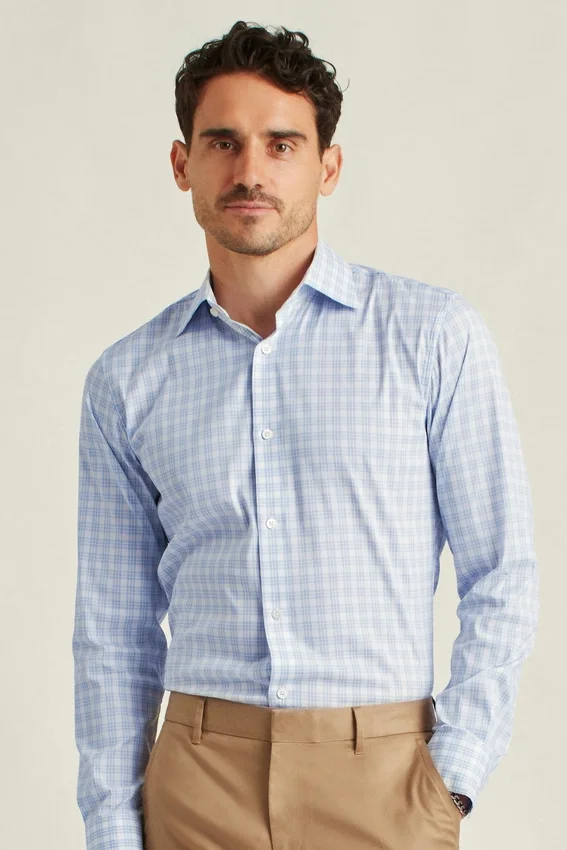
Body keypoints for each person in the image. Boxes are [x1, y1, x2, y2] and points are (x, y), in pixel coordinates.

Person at [72, 20, 539, 850]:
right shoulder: (128, 378)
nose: (250, 171)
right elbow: (114, 627)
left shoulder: (430, 336)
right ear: (181, 164)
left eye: (281, 144)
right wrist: (112, 825)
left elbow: (501, 572)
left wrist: (452, 778)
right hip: (197, 781)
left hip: (386, 778)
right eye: (222, 142)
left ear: (327, 167)